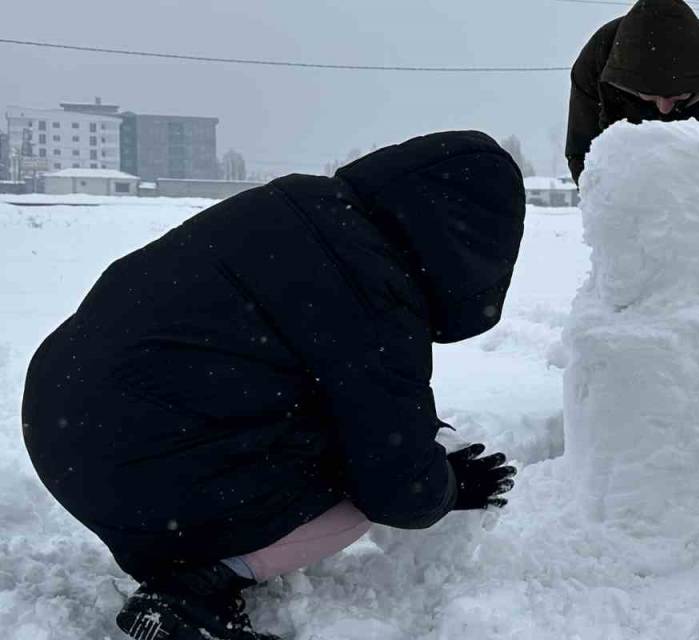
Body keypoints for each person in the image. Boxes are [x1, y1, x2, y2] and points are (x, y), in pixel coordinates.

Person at [22, 130, 526, 640]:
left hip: (59, 421)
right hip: (139, 465)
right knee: (356, 495)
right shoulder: (377, 295)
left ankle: (178, 540)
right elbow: (396, 489)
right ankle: (197, 586)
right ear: (470, 251)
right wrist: (445, 486)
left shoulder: (294, 205)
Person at [565, 0, 699, 184]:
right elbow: (583, 156)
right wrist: (613, 204)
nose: (664, 109)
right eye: (652, 96)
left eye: (678, 96)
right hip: (625, 184)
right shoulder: (595, 63)